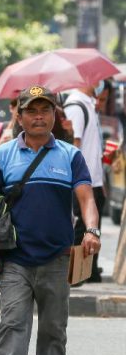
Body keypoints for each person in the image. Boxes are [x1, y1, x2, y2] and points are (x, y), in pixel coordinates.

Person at [0, 85, 100, 355]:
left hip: (57, 258)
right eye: (32, 111)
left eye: (45, 110)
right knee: (12, 327)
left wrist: (92, 230)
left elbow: (86, 199)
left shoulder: (70, 156)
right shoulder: (3, 155)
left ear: (54, 116)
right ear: (20, 117)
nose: (39, 117)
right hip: (14, 260)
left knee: (53, 332)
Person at [64, 81, 107, 283]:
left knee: (91, 227)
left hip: (94, 178)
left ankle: (88, 273)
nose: (99, 83)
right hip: (81, 179)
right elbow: (74, 144)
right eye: (97, 79)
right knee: (81, 227)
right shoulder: (76, 105)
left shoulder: (89, 104)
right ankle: (75, 275)